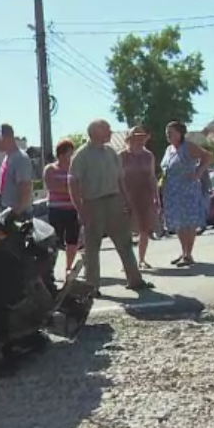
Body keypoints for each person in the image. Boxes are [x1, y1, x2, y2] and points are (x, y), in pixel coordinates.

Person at [68, 119, 154, 296]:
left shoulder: (111, 153)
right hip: (93, 203)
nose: (110, 132)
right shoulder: (82, 155)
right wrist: (80, 209)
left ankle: (135, 280)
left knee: (124, 242)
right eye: (106, 129)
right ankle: (92, 287)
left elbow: (120, 179)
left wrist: (127, 201)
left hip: (114, 200)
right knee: (92, 247)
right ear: (95, 132)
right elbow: (73, 182)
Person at [160, 121, 212, 267]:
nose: (168, 135)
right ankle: (183, 252)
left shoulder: (188, 147)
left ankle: (188, 254)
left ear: (180, 133)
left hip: (187, 189)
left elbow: (207, 157)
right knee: (178, 222)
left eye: (171, 132)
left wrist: (198, 172)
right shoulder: (169, 149)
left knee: (188, 222)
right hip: (172, 191)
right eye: (167, 132)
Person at [118, 125, 160, 269]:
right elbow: (118, 178)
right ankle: (128, 263)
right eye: (136, 138)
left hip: (145, 195)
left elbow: (152, 176)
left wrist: (156, 197)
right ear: (129, 140)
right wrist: (123, 197)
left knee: (144, 228)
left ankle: (142, 259)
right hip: (127, 195)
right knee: (126, 230)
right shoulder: (122, 156)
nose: (140, 141)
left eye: (142, 138)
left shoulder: (149, 155)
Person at [43, 138, 79, 275]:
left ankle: (68, 268)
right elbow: (53, 187)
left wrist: (72, 189)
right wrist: (71, 188)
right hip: (56, 209)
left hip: (72, 208)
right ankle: (49, 270)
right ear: (62, 154)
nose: (72, 156)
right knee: (54, 241)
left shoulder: (74, 170)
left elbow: (81, 187)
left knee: (72, 240)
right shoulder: (51, 169)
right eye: (70, 153)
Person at [0, 123, 33, 216]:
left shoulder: (21, 159)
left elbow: (25, 191)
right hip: (6, 210)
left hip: (19, 215)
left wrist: (14, 214)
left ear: (6, 138)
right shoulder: (7, 158)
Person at [197, 171, 213, 235]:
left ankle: (203, 224)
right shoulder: (196, 168)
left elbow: (208, 180)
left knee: (206, 209)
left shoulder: (204, 170)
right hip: (200, 192)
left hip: (205, 191)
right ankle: (202, 225)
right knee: (202, 209)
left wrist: (210, 188)